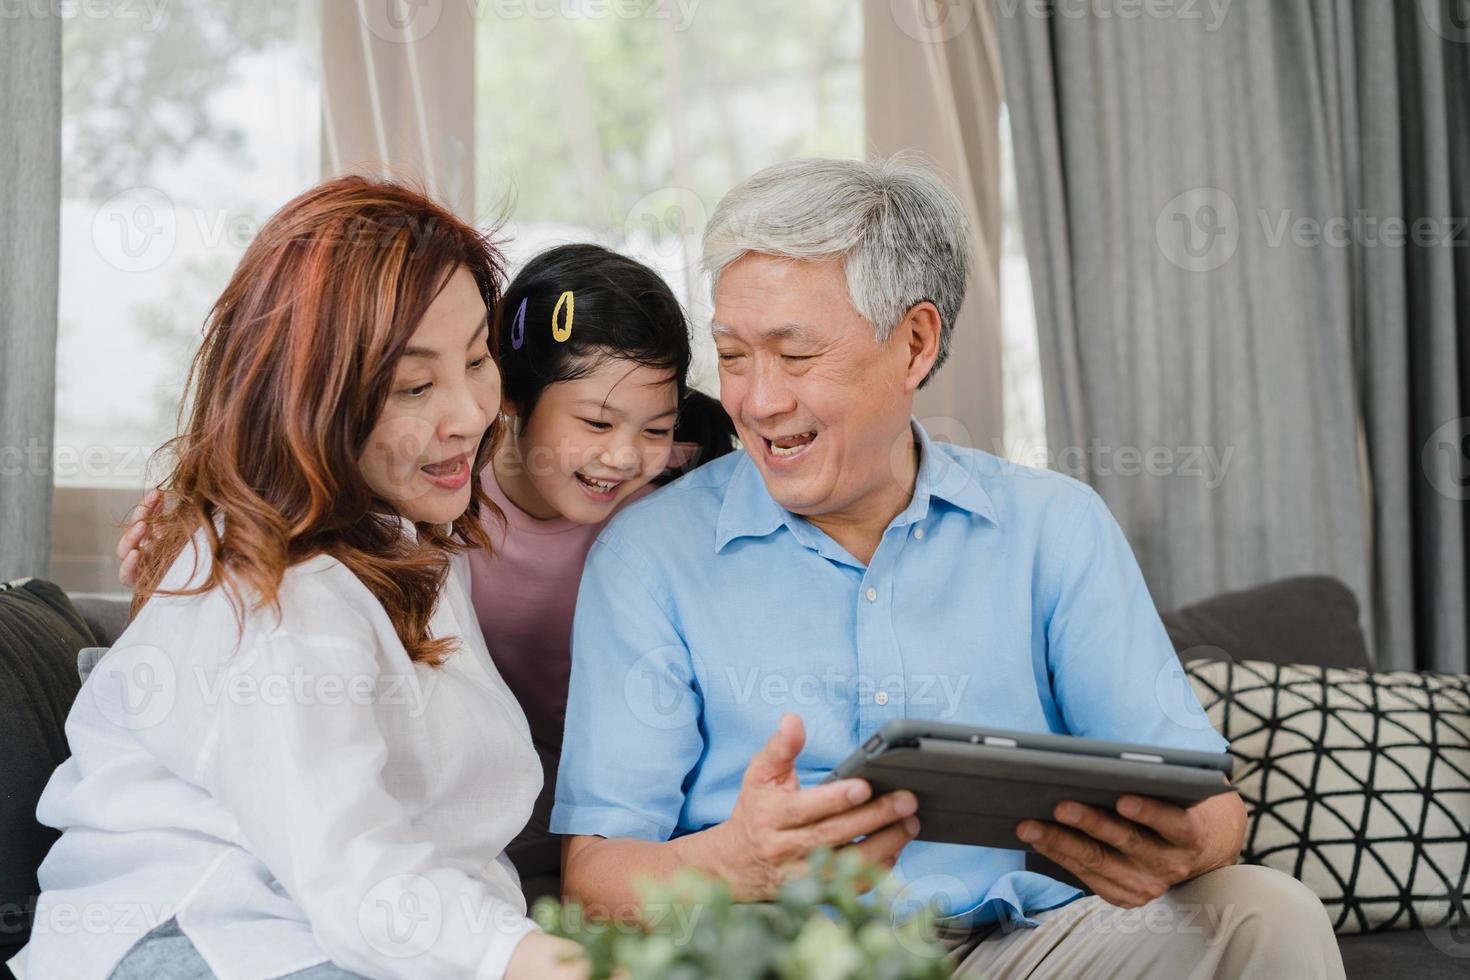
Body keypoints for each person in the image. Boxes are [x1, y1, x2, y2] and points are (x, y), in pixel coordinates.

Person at [550, 156, 1348, 979]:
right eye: (734, 355)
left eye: (794, 356)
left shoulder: (1054, 528)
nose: (756, 400)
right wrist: (734, 861)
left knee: (1265, 914)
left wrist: (1188, 844)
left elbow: (1207, 801)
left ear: (916, 344)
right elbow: (594, 880)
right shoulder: (650, 553)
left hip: (1019, 947)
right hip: (782, 957)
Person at [21, 176, 590, 980]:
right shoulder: (281, 593)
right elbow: (355, 873)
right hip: (208, 937)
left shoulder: (397, 528)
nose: (470, 412)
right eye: (416, 386)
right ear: (312, 400)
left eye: (477, 360)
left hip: (311, 923)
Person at [115, 243, 737, 899]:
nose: (622, 457)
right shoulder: (438, 491)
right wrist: (183, 576)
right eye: (596, 422)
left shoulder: (666, 513)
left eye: (655, 430)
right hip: (475, 783)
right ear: (512, 398)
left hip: (618, 800)